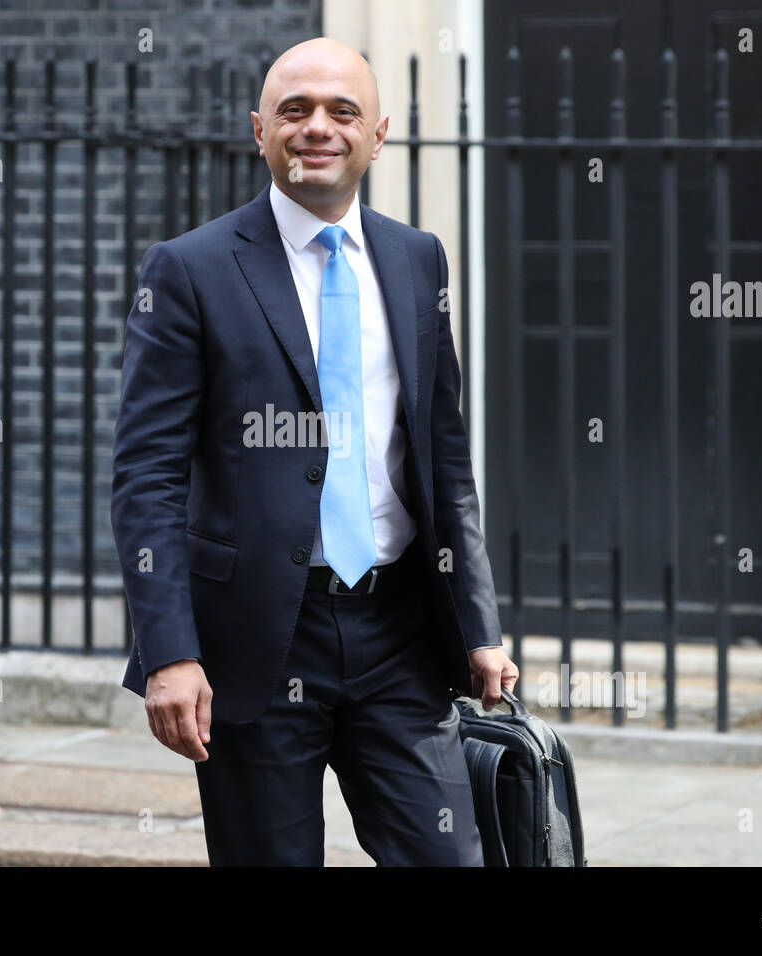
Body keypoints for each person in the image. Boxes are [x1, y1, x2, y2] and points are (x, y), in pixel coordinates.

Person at [111, 36, 519, 866]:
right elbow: (146, 477)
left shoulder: (416, 259)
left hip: (399, 630)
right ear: (260, 130)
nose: (317, 128)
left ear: (380, 133)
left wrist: (478, 626)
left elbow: (445, 461)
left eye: (342, 111)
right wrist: (171, 654)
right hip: (256, 638)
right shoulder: (190, 269)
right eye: (294, 110)